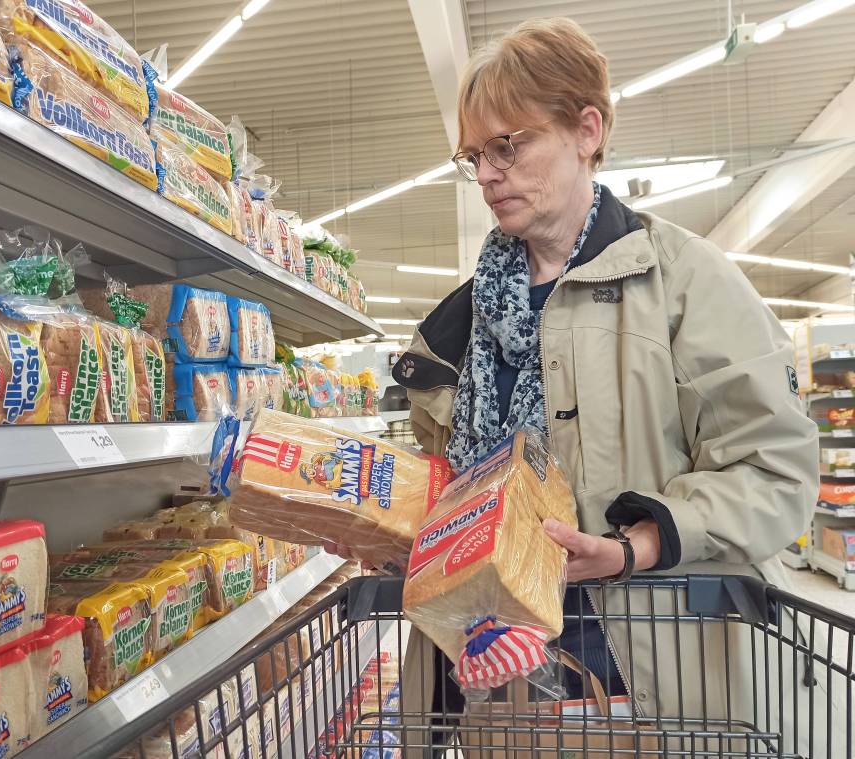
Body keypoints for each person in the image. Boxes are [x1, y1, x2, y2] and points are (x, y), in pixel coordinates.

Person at [327, 17, 842, 756]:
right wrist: (380, 516)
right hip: (494, 682)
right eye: (475, 154)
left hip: (644, 683)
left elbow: (776, 468)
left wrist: (638, 542)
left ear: (586, 130)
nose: (487, 173)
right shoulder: (459, 322)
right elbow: (449, 490)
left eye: (509, 144)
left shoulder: (684, 283)